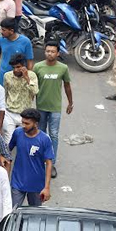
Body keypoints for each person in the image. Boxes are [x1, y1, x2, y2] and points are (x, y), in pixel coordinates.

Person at [33, 42, 72, 178]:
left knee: (54, 135)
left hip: (55, 108)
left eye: (52, 51)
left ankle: (52, 163)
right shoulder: (38, 67)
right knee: (41, 135)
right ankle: (40, 162)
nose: (50, 53)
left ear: (58, 53)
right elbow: (33, 86)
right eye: (47, 51)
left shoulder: (63, 68)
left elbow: (67, 85)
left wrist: (70, 103)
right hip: (41, 107)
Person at [9, 109, 54, 207]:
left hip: (36, 186)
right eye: (22, 123)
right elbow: (8, 150)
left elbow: (49, 163)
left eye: (27, 123)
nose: (23, 126)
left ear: (35, 123)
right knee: (13, 212)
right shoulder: (17, 133)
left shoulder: (45, 139)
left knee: (35, 216)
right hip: (17, 183)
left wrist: (46, 187)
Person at [2, 53, 39, 146]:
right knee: (8, 141)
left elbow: (35, 91)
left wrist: (27, 78)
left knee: (25, 142)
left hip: (25, 114)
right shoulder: (7, 76)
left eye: (18, 67)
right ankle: (7, 159)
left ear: (24, 66)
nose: (15, 70)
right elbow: (5, 92)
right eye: (13, 67)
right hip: (9, 112)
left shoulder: (32, 75)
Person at [0, 17, 34, 84]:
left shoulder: (26, 42)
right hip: (3, 75)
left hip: (19, 77)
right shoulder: (0, 40)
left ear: (11, 31)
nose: (1, 32)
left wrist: (28, 75)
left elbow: (30, 61)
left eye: (3, 30)